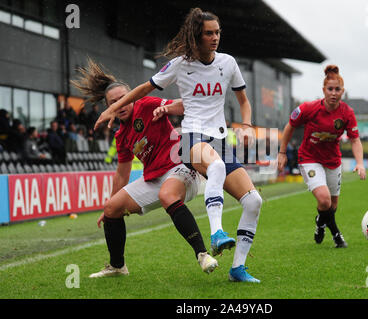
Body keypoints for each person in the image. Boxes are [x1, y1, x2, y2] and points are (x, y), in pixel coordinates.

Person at [94, 8, 262, 283]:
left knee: (254, 201)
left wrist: (246, 126)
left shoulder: (229, 63)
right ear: (197, 35)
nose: (215, 37)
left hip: (218, 140)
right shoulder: (180, 65)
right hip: (192, 138)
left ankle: (238, 268)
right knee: (215, 166)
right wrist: (113, 109)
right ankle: (217, 233)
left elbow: (243, 101)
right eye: (209, 33)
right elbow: (143, 88)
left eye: (217, 32)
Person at [72, 58, 218, 278]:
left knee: (167, 194)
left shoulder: (148, 104)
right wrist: (110, 207)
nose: (120, 104)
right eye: (114, 102)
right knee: (112, 208)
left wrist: (166, 108)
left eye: (123, 98)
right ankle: (117, 267)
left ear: (132, 97)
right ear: (109, 107)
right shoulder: (121, 135)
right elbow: (122, 172)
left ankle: (203, 255)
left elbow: (186, 105)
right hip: (154, 177)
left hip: (181, 167)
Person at [278, 65, 366, 248]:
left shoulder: (347, 113)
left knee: (331, 206)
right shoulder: (309, 108)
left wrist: (360, 163)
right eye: (330, 89)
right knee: (324, 199)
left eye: (337, 89)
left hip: (333, 161)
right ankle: (337, 236)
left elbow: (355, 140)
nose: (334, 93)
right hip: (309, 159)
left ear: (343, 91)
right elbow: (290, 126)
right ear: (323, 90)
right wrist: (282, 152)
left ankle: (320, 223)